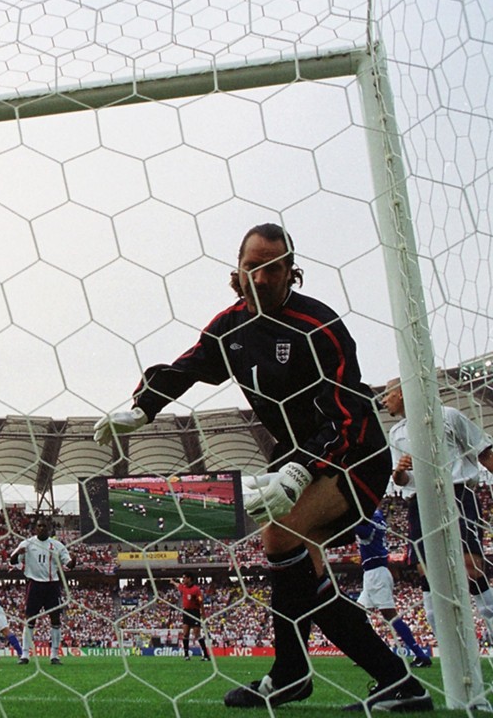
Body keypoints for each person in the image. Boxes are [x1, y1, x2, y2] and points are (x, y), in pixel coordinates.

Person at [94, 223, 430, 711]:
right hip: (296, 456)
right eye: (253, 266)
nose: (263, 276)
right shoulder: (230, 326)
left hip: (354, 454)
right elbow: (188, 367)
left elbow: (349, 415)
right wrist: (144, 407)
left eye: (274, 267)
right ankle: (332, 676)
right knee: (288, 552)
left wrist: (301, 469)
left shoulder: (320, 327)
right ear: (237, 272)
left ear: (292, 273)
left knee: (283, 535)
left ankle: (315, 674)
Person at [382, 377, 493, 638]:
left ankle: (489, 620)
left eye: (387, 395)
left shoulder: (449, 416)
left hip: (457, 494)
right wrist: (399, 470)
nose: (384, 400)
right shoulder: (396, 432)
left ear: (401, 392)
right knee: (427, 569)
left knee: (470, 565)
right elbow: (401, 481)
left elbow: (484, 452)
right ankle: (445, 636)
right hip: (420, 501)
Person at [354, 508, 431, 668]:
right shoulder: (378, 516)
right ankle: (371, 653)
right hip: (373, 573)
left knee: (391, 616)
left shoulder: (369, 524)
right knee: (357, 614)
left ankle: (421, 655)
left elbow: (359, 530)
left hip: (376, 574)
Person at [9, 517, 73, 665]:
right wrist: (18, 552)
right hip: (34, 584)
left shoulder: (57, 545)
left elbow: (69, 564)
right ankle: (25, 655)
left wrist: (73, 560)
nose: (42, 528)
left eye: (44, 526)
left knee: (55, 620)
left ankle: (54, 655)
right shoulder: (27, 544)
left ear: (49, 529)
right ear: (35, 528)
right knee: (30, 619)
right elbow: (13, 561)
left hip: (52, 585)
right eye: (39, 526)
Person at [174, 573, 210, 661]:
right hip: (186, 612)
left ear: (189, 579)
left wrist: (203, 613)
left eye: (184, 578)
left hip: (195, 612)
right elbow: (178, 585)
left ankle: (206, 655)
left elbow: (201, 602)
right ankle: (186, 655)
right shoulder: (183, 587)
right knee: (185, 633)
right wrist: (172, 582)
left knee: (197, 634)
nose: (183, 579)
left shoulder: (196, 590)